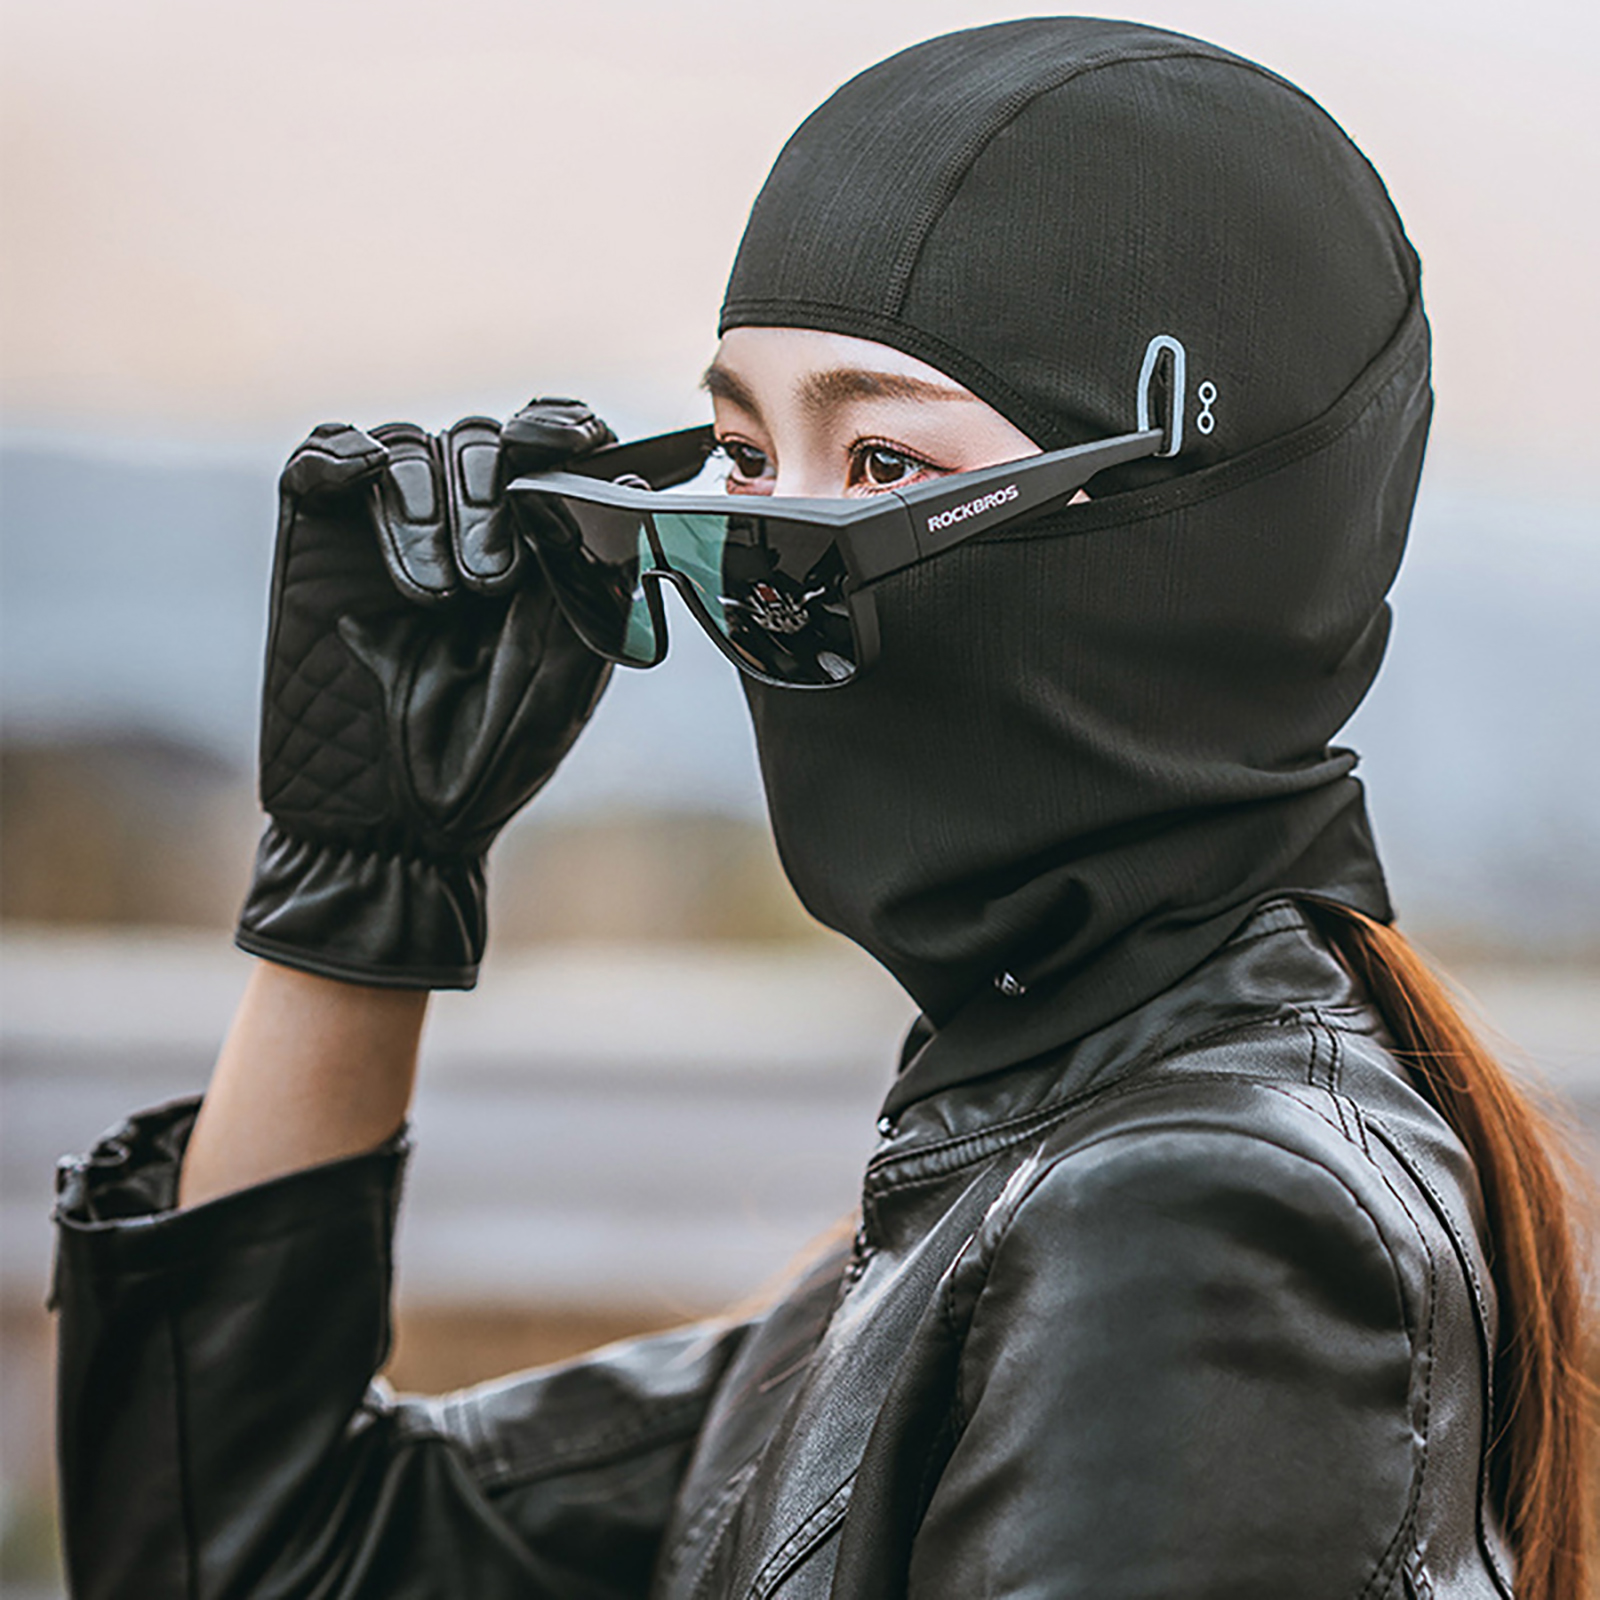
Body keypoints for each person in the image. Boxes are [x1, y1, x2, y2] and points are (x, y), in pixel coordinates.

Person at [50, 18, 1591, 1600]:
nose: (762, 582)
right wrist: (363, 873)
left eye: (881, 463)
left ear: (1191, 543)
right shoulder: (999, 1185)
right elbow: (252, 1555)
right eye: (740, 454)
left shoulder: (1190, 1226)